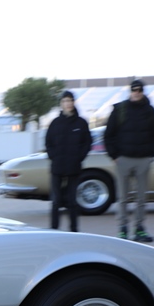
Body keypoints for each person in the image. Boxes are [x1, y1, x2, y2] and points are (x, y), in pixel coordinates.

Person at [104, 79, 154, 242]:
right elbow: (108, 135)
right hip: (123, 159)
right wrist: (115, 156)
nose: (136, 93)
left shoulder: (149, 110)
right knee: (123, 197)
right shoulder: (120, 109)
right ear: (130, 92)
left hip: (143, 160)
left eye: (139, 90)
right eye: (134, 90)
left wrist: (151, 155)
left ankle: (139, 229)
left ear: (143, 92)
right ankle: (123, 229)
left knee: (141, 198)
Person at [45, 90, 92, 232]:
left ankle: (74, 230)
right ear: (61, 104)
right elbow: (48, 143)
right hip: (57, 167)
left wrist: (79, 157)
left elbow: (87, 143)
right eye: (65, 101)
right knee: (56, 201)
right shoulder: (55, 123)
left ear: (73, 102)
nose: (68, 103)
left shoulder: (81, 123)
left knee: (72, 201)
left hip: (74, 167)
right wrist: (54, 156)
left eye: (70, 100)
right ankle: (54, 230)